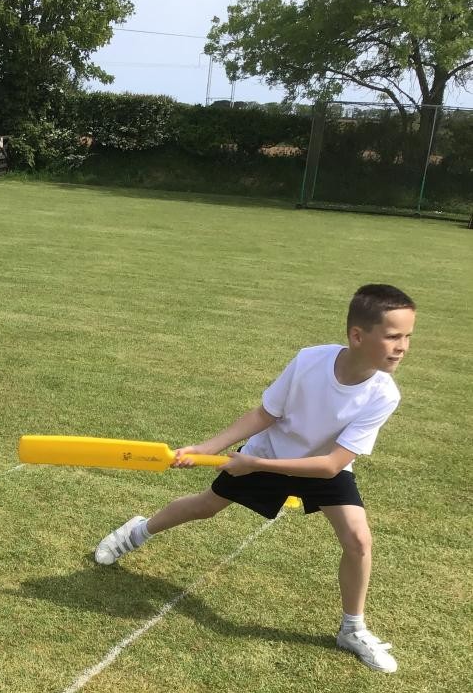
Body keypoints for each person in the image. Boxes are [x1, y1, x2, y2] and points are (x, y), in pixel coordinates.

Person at [94, 284, 416, 673]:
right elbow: (265, 415)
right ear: (357, 335)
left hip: (316, 465)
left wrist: (252, 466)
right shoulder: (310, 360)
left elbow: (331, 465)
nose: (402, 346)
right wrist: (203, 446)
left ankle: (352, 628)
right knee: (205, 506)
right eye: (393, 336)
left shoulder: (384, 394)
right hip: (271, 451)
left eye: (407, 337)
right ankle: (135, 532)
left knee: (358, 539)